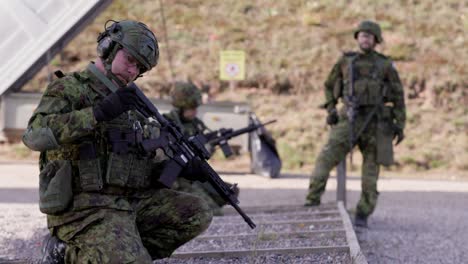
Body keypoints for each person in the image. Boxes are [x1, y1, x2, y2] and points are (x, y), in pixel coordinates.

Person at [22, 20, 212, 263]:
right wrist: (97, 113)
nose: (133, 71)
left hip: (129, 203)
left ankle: (116, 251)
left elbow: (136, 162)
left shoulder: (133, 106)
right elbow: (34, 135)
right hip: (86, 208)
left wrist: (177, 168)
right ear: (108, 49)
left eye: (140, 68)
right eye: (130, 60)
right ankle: (65, 251)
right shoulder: (69, 88)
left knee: (197, 212)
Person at [304, 20, 406, 227]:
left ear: (376, 40)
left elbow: (398, 95)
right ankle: (311, 202)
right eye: (362, 35)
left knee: (370, 175)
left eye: (369, 35)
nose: (365, 38)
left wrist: (399, 123)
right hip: (349, 119)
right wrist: (331, 109)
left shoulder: (385, 65)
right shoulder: (346, 61)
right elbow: (329, 85)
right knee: (325, 159)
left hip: (376, 123)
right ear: (357, 38)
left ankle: (363, 214)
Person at [164, 82, 239, 216]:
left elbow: (205, 144)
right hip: (180, 177)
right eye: (191, 108)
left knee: (229, 193)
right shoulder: (168, 123)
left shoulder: (196, 124)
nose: (195, 111)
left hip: (196, 173)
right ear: (181, 107)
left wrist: (213, 144)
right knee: (213, 211)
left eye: (196, 107)